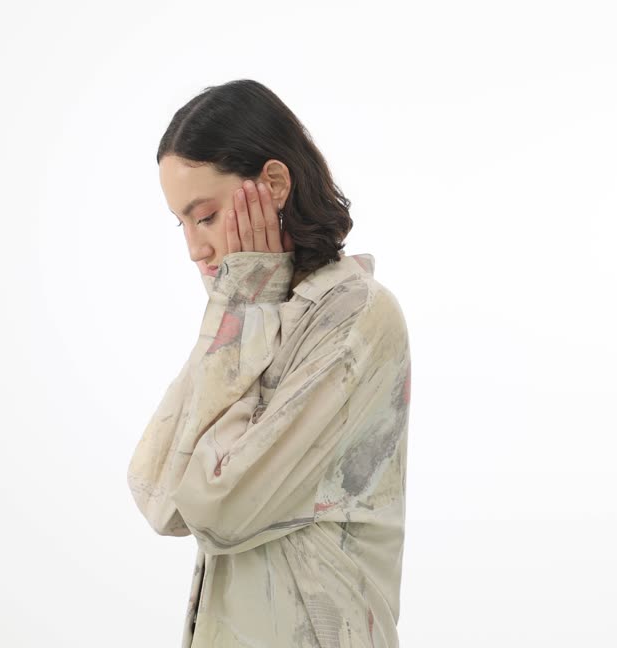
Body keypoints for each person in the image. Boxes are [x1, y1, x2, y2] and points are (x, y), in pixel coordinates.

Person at [128, 79, 412, 648]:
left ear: (275, 184)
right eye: (179, 223)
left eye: (204, 216)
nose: (193, 248)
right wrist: (247, 307)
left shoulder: (358, 316)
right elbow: (157, 493)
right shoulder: (251, 312)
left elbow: (216, 510)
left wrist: (246, 307)